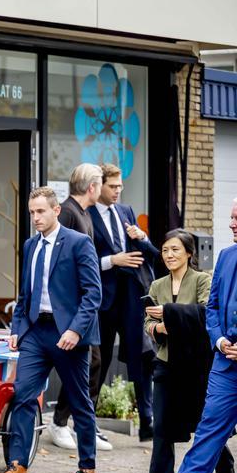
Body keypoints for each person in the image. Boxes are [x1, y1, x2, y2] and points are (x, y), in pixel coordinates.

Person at [0, 187, 102, 473]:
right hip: (35, 333)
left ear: (56, 210)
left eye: (41, 211)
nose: (35, 217)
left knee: (80, 402)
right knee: (23, 395)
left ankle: (87, 469)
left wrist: (76, 330)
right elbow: (25, 294)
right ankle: (18, 466)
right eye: (31, 212)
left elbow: (93, 294)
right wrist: (16, 330)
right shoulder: (30, 245)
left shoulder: (79, 243)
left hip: (69, 335)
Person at [150, 201, 237, 473]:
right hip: (225, 362)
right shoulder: (226, 258)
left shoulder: (201, 275)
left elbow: (202, 307)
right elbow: (212, 309)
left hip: (203, 364)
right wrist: (220, 339)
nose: (231, 224)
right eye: (231, 217)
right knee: (210, 425)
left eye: (236, 218)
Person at [87, 163, 157, 442]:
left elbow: (146, 252)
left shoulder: (126, 212)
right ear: (99, 186)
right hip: (103, 301)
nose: (117, 192)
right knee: (98, 361)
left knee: (141, 357)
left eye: (120, 187)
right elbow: (84, 258)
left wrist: (143, 237)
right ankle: (88, 421)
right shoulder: (86, 214)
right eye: (112, 187)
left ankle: (147, 421)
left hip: (131, 298)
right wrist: (112, 261)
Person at [48, 164, 112, 452]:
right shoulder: (69, 213)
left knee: (92, 363)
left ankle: (78, 421)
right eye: (101, 184)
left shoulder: (84, 212)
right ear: (92, 187)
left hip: (84, 305)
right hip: (71, 308)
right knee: (84, 364)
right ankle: (61, 422)